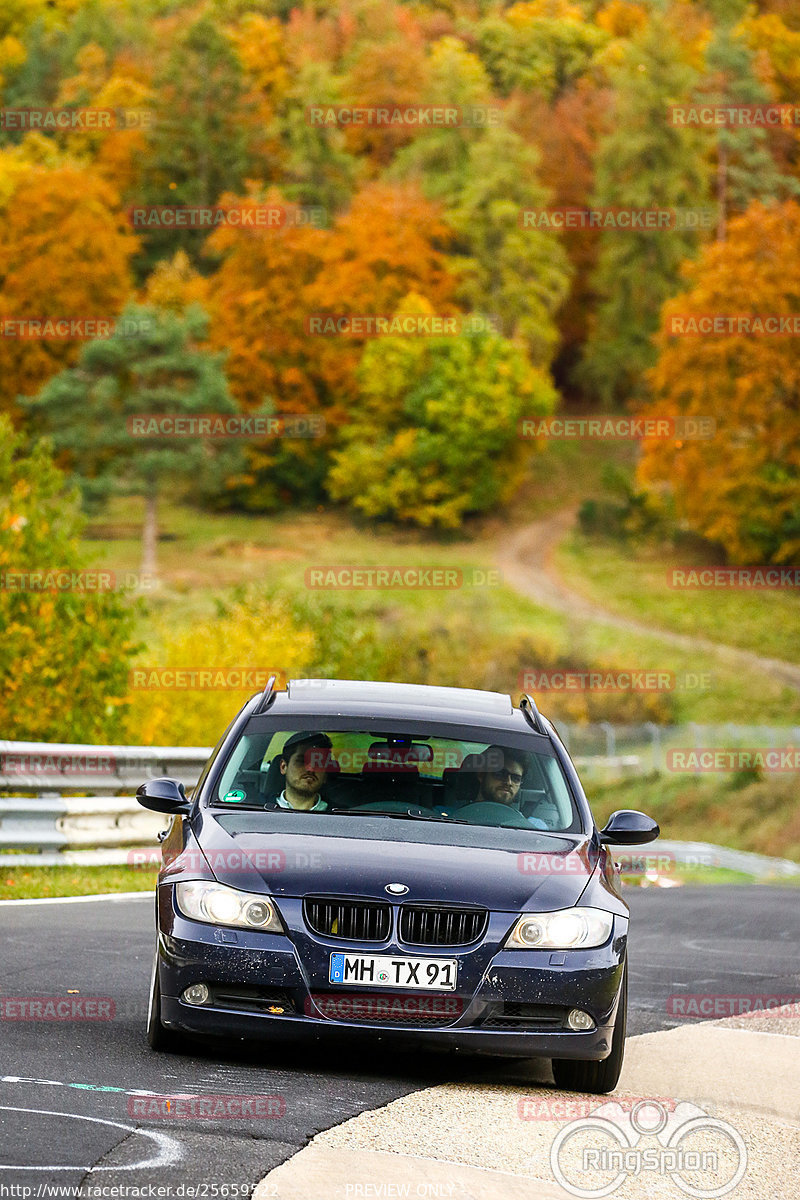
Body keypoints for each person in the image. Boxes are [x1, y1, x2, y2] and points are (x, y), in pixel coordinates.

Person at [264, 731, 333, 811]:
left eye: (318, 763)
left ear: (325, 775)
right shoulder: (256, 808)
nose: (311, 768)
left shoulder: (342, 815)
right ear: (283, 767)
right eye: (302, 761)